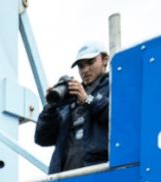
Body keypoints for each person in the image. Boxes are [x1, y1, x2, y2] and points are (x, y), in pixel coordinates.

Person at [34, 41, 110, 174]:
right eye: (81, 66)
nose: (85, 70)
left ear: (105, 60)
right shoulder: (70, 98)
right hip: (65, 178)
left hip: (97, 175)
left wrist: (88, 100)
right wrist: (51, 108)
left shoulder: (116, 84)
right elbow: (42, 138)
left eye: (91, 62)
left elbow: (121, 119)